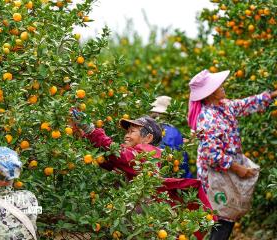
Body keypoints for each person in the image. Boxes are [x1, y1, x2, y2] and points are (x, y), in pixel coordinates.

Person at [72, 111, 213, 240]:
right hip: (139, 218)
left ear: (148, 138)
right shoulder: (136, 153)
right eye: (127, 131)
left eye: (132, 131)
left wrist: (91, 130)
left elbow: (121, 156)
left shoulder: (148, 152)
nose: (126, 135)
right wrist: (83, 135)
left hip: (144, 219)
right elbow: (107, 161)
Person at [187, 69, 277, 240]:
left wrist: (272, 95)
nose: (223, 86)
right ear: (210, 93)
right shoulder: (208, 118)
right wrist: (238, 168)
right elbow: (211, 155)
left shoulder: (224, 106)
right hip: (217, 174)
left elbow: (245, 104)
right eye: (219, 85)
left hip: (226, 170)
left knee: (227, 215)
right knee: (222, 219)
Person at [150, 96, 193, 178]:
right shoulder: (175, 132)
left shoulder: (152, 130)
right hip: (175, 178)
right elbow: (182, 161)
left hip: (157, 179)